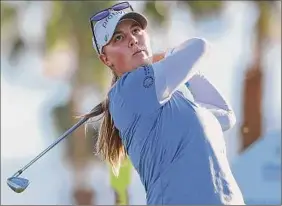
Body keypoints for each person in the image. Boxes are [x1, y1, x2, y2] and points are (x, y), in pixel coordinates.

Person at [85, 1, 245, 205]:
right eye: (119, 37)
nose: (133, 40)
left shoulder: (172, 99)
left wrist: (184, 71)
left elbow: (224, 117)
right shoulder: (129, 88)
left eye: (136, 30)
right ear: (106, 59)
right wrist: (167, 56)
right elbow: (200, 47)